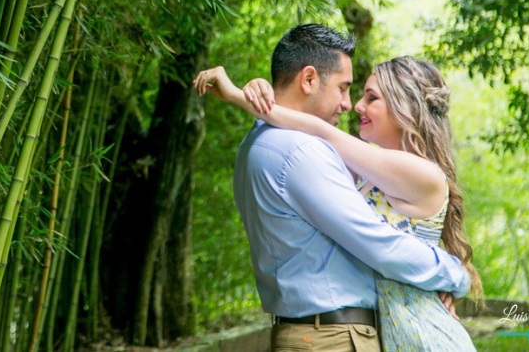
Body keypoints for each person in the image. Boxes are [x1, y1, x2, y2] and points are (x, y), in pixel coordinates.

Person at [192, 24, 472, 352]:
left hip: (354, 331)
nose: (349, 104)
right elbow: (379, 245)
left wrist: (245, 95)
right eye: (344, 89)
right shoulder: (301, 150)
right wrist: (455, 273)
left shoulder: (261, 143)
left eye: (369, 96)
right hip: (333, 337)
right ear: (309, 79)